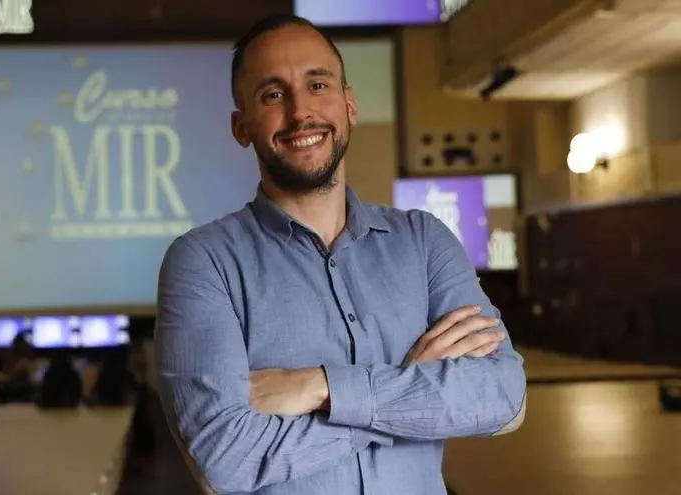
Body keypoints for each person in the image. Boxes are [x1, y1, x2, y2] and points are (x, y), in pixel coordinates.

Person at [155, 14, 527, 495]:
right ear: (241, 126)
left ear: (349, 105)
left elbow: (502, 396)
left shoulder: (424, 241)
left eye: (317, 85)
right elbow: (225, 461)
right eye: (273, 95)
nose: (300, 112)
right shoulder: (203, 262)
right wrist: (410, 386)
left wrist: (320, 387)